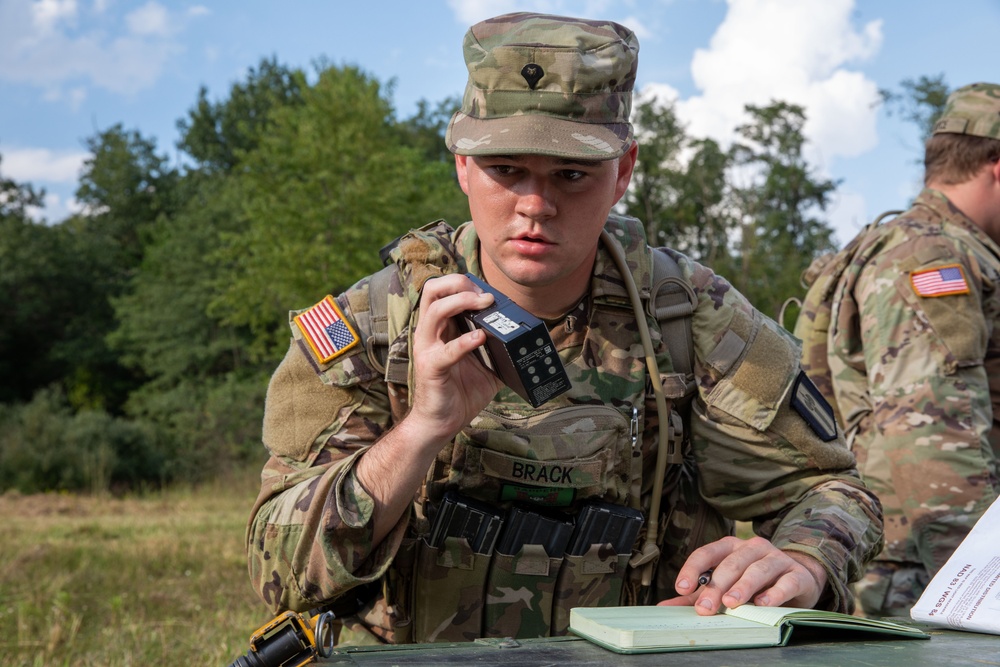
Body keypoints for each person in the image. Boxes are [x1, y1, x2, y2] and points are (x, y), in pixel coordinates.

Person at [245, 12, 883, 645]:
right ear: (463, 166)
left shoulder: (691, 317)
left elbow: (833, 491)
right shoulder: (372, 329)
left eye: (570, 175)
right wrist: (420, 432)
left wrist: (802, 559)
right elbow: (280, 573)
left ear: (624, 172)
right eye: (506, 170)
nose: (534, 205)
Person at [798, 83, 1000, 617]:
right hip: (932, 582)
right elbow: (934, 438)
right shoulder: (931, 255)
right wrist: (984, 590)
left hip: (915, 571)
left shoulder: (913, 244)